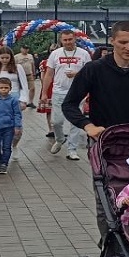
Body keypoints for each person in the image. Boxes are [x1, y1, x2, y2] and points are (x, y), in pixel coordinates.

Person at [41, 31, 92, 160]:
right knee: (56, 121)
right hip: (59, 91)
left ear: (75, 39)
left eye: (70, 39)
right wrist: (44, 93)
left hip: (77, 92)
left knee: (75, 121)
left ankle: (72, 150)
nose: (68, 42)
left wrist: (77, 74)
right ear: (61, 41)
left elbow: (89, 73)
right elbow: (49, 74)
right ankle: (60, 139)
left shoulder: (84, 54)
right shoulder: (55, 54)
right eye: (65, 40)